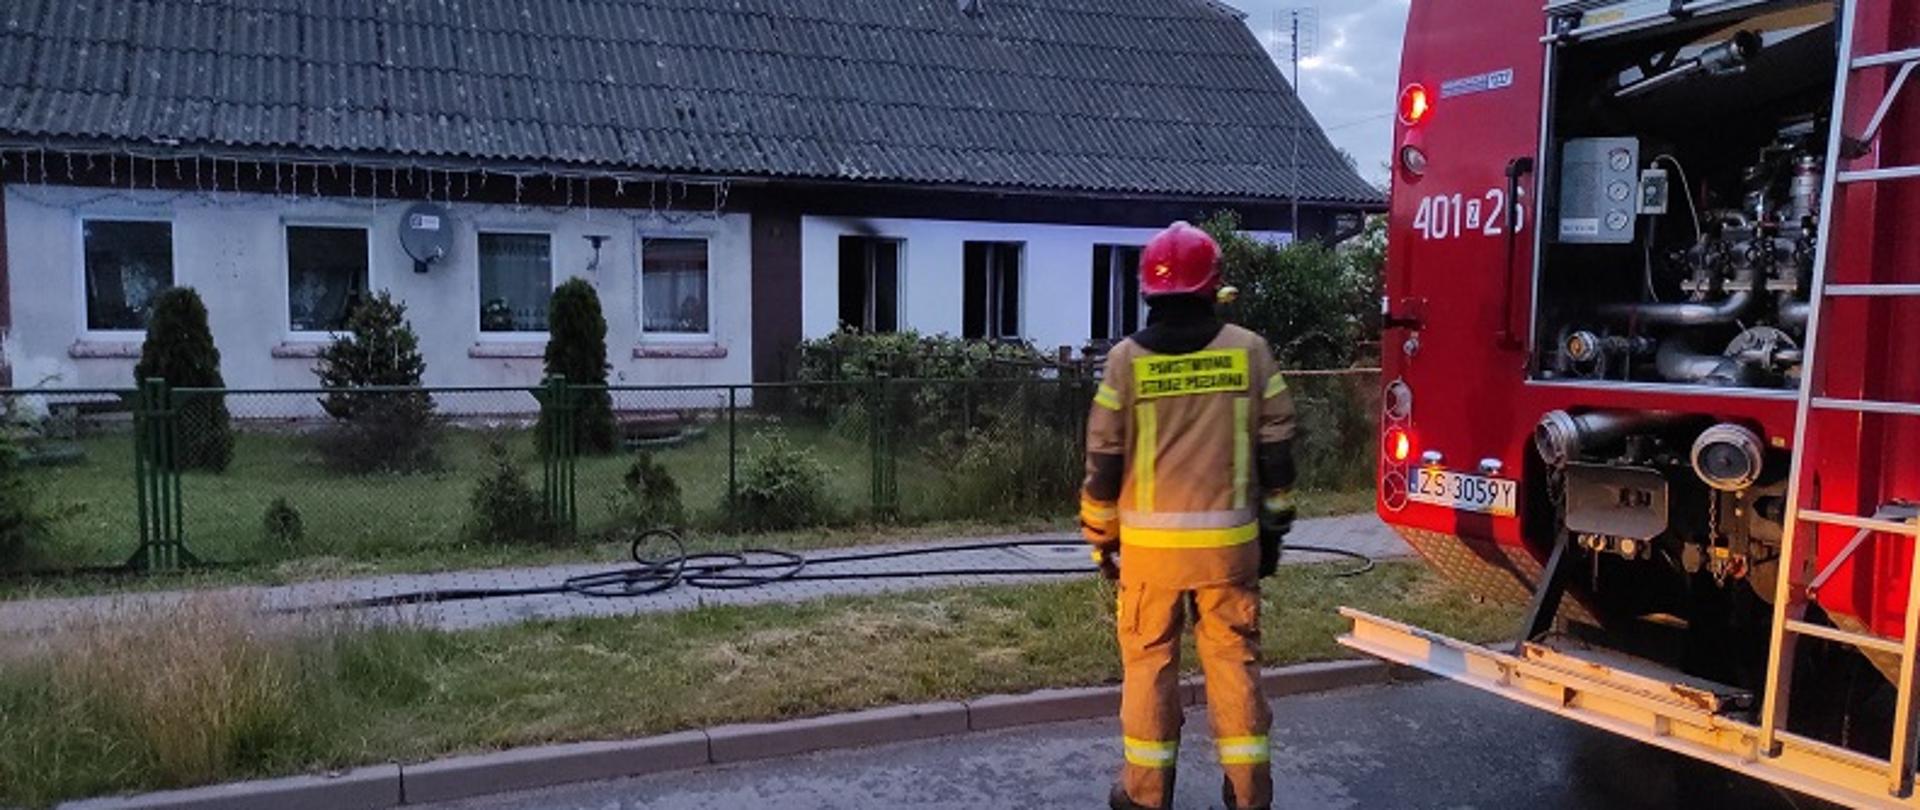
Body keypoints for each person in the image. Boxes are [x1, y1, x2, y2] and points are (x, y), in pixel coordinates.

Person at [1081, 221, 1298, 810]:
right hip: (1229, 552)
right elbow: (1278, 447)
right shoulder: (1249, 351)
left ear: (1148, 291)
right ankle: (1250, 795)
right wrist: (1274, 528)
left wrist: (1100, 538)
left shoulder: (1125, 361)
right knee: (1234, 668)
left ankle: (1147, 796)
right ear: (1214, 286)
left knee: (1149, 669)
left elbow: (1102, 460)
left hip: (1150, 558)